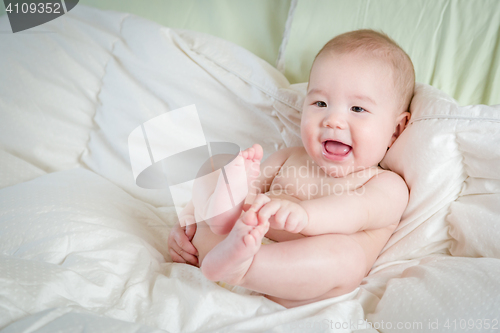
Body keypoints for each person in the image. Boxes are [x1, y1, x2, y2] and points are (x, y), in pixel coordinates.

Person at [168, 29, 415, 308]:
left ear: (395, 130)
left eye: (357, 109)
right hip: (231, 245)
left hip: (295, 279)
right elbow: (250, 192)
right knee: (214, 167)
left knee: (347, 258)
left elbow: (354, 213)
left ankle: (244, 269)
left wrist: (304, 216)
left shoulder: (386, 185)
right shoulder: (289, 158)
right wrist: (189, 221)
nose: (333, 120)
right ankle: (215, 221)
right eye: (320, 103)